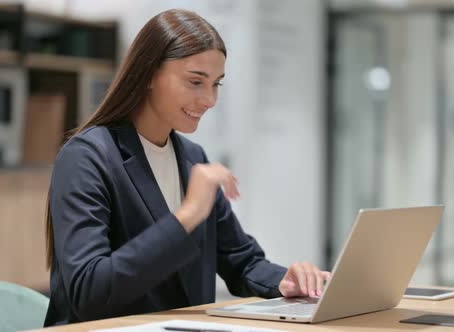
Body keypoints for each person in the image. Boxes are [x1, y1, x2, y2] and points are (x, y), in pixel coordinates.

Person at [43, 9, 329, 326]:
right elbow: (89, 292)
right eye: (195, 81)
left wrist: (286, 281)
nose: (209, 99)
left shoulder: (193, 157)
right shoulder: (87, 157)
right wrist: (187, 216)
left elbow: (242, 262)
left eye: (216, 83)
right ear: (149, 73)